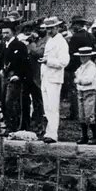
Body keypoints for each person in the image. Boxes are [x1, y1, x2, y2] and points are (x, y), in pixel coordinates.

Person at [39, 16, 70, 144]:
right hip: (46, 77)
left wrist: (48, 61)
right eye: (47, 29)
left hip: (54, 78)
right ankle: (48, 131)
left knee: (53, 107)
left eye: (51, 28)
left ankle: (53, 134)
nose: (49, 31)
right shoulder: (50, 40)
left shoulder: (61, 42)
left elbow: (64, 62)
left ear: (57, 27)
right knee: (47, 107)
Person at [0, 21, 30, 132]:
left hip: (14, 78)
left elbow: (23, 63)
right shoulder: (6, 45)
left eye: (7, 33)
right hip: (6, 76)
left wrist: (18, 75)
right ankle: (8, 125)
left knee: (10, 101)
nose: (4, 35)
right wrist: (1, 69)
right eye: (3, 33)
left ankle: (13, 127)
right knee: (4, 101)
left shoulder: (20, 46)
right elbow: (3, 60)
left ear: (13, 33)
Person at [73, 46, 96, 144]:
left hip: (89, 91)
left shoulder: (92, 66)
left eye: (84, 56)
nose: (82, 58)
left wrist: (79, 81)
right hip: (81, 91)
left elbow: (88, 80)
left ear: (89, 57)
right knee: (82, 115)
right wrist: (78, 81)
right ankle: (84, 136)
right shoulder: (81, 66)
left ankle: (95, 136)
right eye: (81, 56)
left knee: (89, 114)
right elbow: (76, 76)